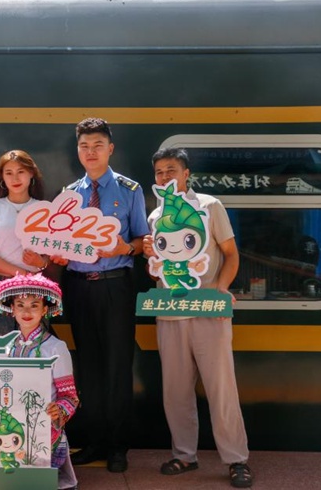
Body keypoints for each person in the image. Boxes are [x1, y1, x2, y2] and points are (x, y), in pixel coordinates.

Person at [142, 148, 253, 488]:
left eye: (171, 170)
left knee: (222, 388)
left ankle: (236, 459)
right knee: (175, 390)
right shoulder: (156, 215)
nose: (164, 176)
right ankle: (184, 455)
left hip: (209, 311)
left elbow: (231, 254)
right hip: (170, 313)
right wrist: (151, 257)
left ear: (186, 173)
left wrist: (221, 289)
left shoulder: (210, 206)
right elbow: (156, 274)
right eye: (159, 172)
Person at [51, 117, 149, 472]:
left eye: (97, 146)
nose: (90, 152)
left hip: (115, 285)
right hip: (78, 286)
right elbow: (58, 242)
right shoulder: (68, 194)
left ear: (110, 149)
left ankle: (119, 446)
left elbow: (143, 240)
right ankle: (94, 442)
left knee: (118, 366)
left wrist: (126, 247)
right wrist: (57, 256)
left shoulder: (129, 190)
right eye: (84, 146)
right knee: (89, 367)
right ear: (78, 151)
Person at [0, 273, 80, 489]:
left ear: (44, 310)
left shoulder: (56, 347)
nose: (26, 312)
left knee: (30, 474)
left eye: (34, 306)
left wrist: (57, 411)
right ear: (12, 309)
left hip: (42, 427)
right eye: (20, 305)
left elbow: (70, 397)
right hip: (7, 425)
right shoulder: (3, 347)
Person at [0, 150, 49, 335]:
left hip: (34, 284)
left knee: (35, 342)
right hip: (0, 282)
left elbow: (54, 252)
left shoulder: (45, 209)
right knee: (0, 341)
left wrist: (41, 263)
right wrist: (21, 273)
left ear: (31, 174)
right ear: (2, 177)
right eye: (9, 173)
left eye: (21, 171)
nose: (15, 178)